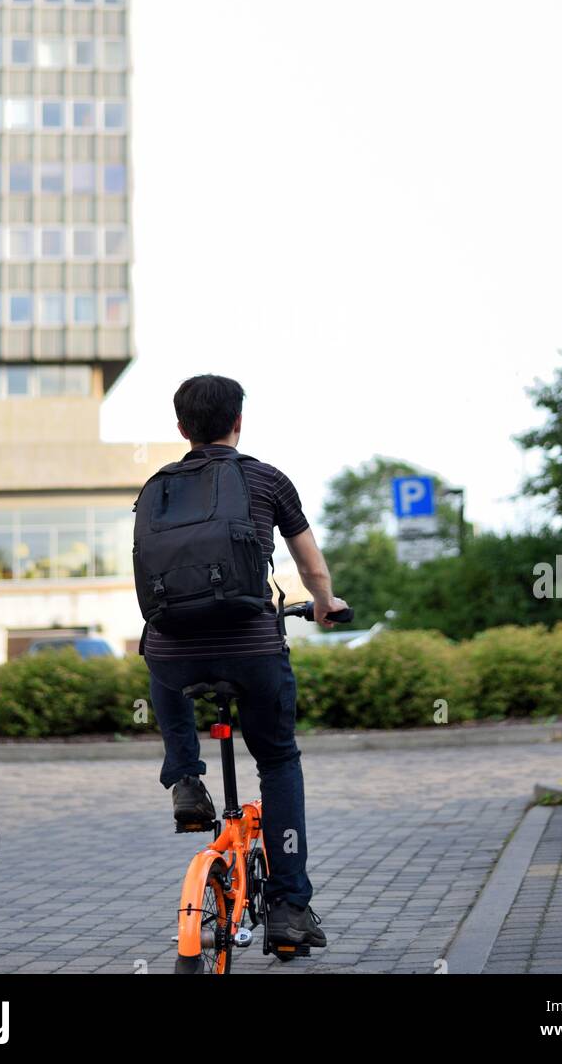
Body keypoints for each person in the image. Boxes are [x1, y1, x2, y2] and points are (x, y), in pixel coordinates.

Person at [139, 374, 347, 951]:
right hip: (252, 647)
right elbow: (312, 567)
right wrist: (327, 605)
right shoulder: (266, 478)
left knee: (159, 661)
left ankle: (184, 776)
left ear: (181, 429)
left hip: (175, 649)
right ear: (239, 422)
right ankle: (288, 909)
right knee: (278, 760)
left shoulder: (156, 486)